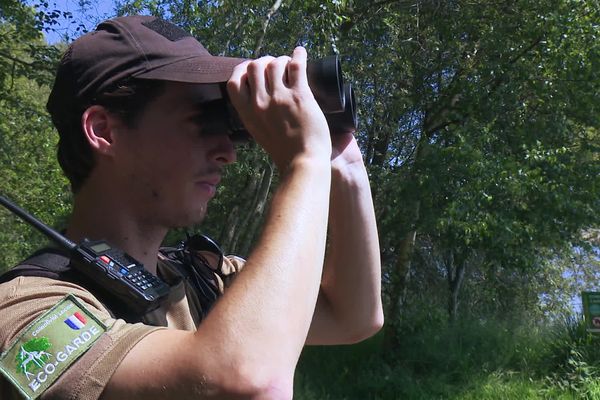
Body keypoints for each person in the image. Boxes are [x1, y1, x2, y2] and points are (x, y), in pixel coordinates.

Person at [0, 15, 383, 399]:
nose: (228, 153)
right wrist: (304, 162)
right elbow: (249, 380)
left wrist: (342, 165)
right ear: (104, 130)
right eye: (202, 121)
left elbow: (351, 316)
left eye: (227, 126)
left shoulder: (199, 279)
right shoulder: (25, 312)